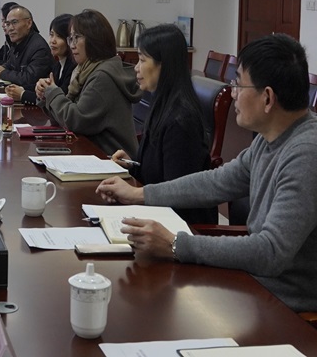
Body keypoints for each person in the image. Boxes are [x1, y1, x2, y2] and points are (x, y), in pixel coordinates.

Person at [96, 34, 317, 313]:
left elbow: (270, 251)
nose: (233, 92)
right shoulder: (269, 138)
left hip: (284, 306)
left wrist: (176, 245)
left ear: (268, 98)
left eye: (238, 84)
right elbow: (216, 182)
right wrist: (139, 194)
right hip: (251, 284)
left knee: (156, 309)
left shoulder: (306, 154)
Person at [110, 24, 216, 224]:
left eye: (142, 60)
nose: (136, 67)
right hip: (158, 215)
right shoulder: (162, 103)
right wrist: (132, 166)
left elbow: (175, 195)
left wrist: (132, 194)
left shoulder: (181, 121)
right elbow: (156, 175)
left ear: (164, 65)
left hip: (179, 227)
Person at [36, 9, 142, 156]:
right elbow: (64, 120)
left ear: (95, 39)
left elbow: (76, 121)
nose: (72, 45)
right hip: (92, 153)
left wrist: (53, 93)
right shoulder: (85, 70)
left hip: (111, 159)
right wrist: (45, 95)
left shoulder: (102, 76)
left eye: (77, 38)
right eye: (70, 38)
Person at [6, 13, 75, 103]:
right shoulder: (58, 64)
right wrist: (19, 88)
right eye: (51, 35)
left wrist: (22, 94)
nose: (52, 41)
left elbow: (59, 97)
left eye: (59, 36)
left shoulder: (73, 66)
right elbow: (46, 88)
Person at [0, 5, 53, 90]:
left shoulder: (39, 48)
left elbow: (30, 79)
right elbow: (10, 64)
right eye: (8, 24)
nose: (10, 28)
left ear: (29, 23)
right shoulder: (17, 43)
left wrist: (3, 73)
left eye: (14, 22)